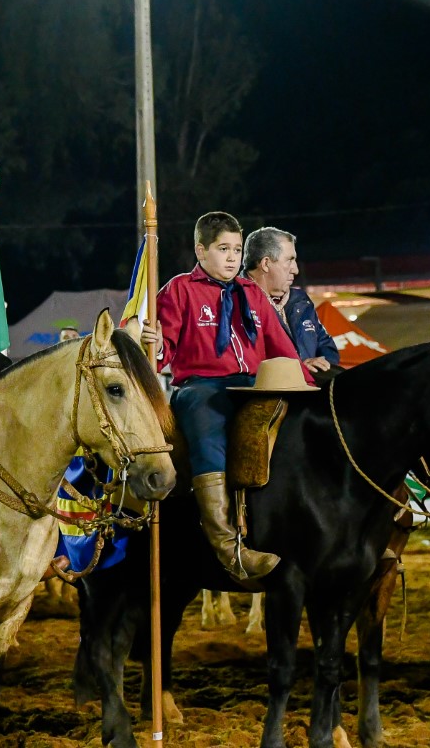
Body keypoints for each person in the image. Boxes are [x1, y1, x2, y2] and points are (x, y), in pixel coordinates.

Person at [149, 211, 309, 583]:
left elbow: (282, 348)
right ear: (200, 250)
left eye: (237, 249)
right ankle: (227, 546)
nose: (233, 257)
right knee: (209, 430)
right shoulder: (179, 290)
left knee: (303, 425)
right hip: (201, 388)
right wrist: (155, 346)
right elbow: (163, 352)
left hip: (254, 383)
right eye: (223, 249)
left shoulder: (252, 292)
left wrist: (305, 388)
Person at [243, 226, 338, 372]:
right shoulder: (235, 301)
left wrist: (323, 365)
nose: (295, 270)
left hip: (313, 390)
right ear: (266, 264)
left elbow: (325, 345)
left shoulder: (301, 300)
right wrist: (298, 370)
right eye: (289, 260)